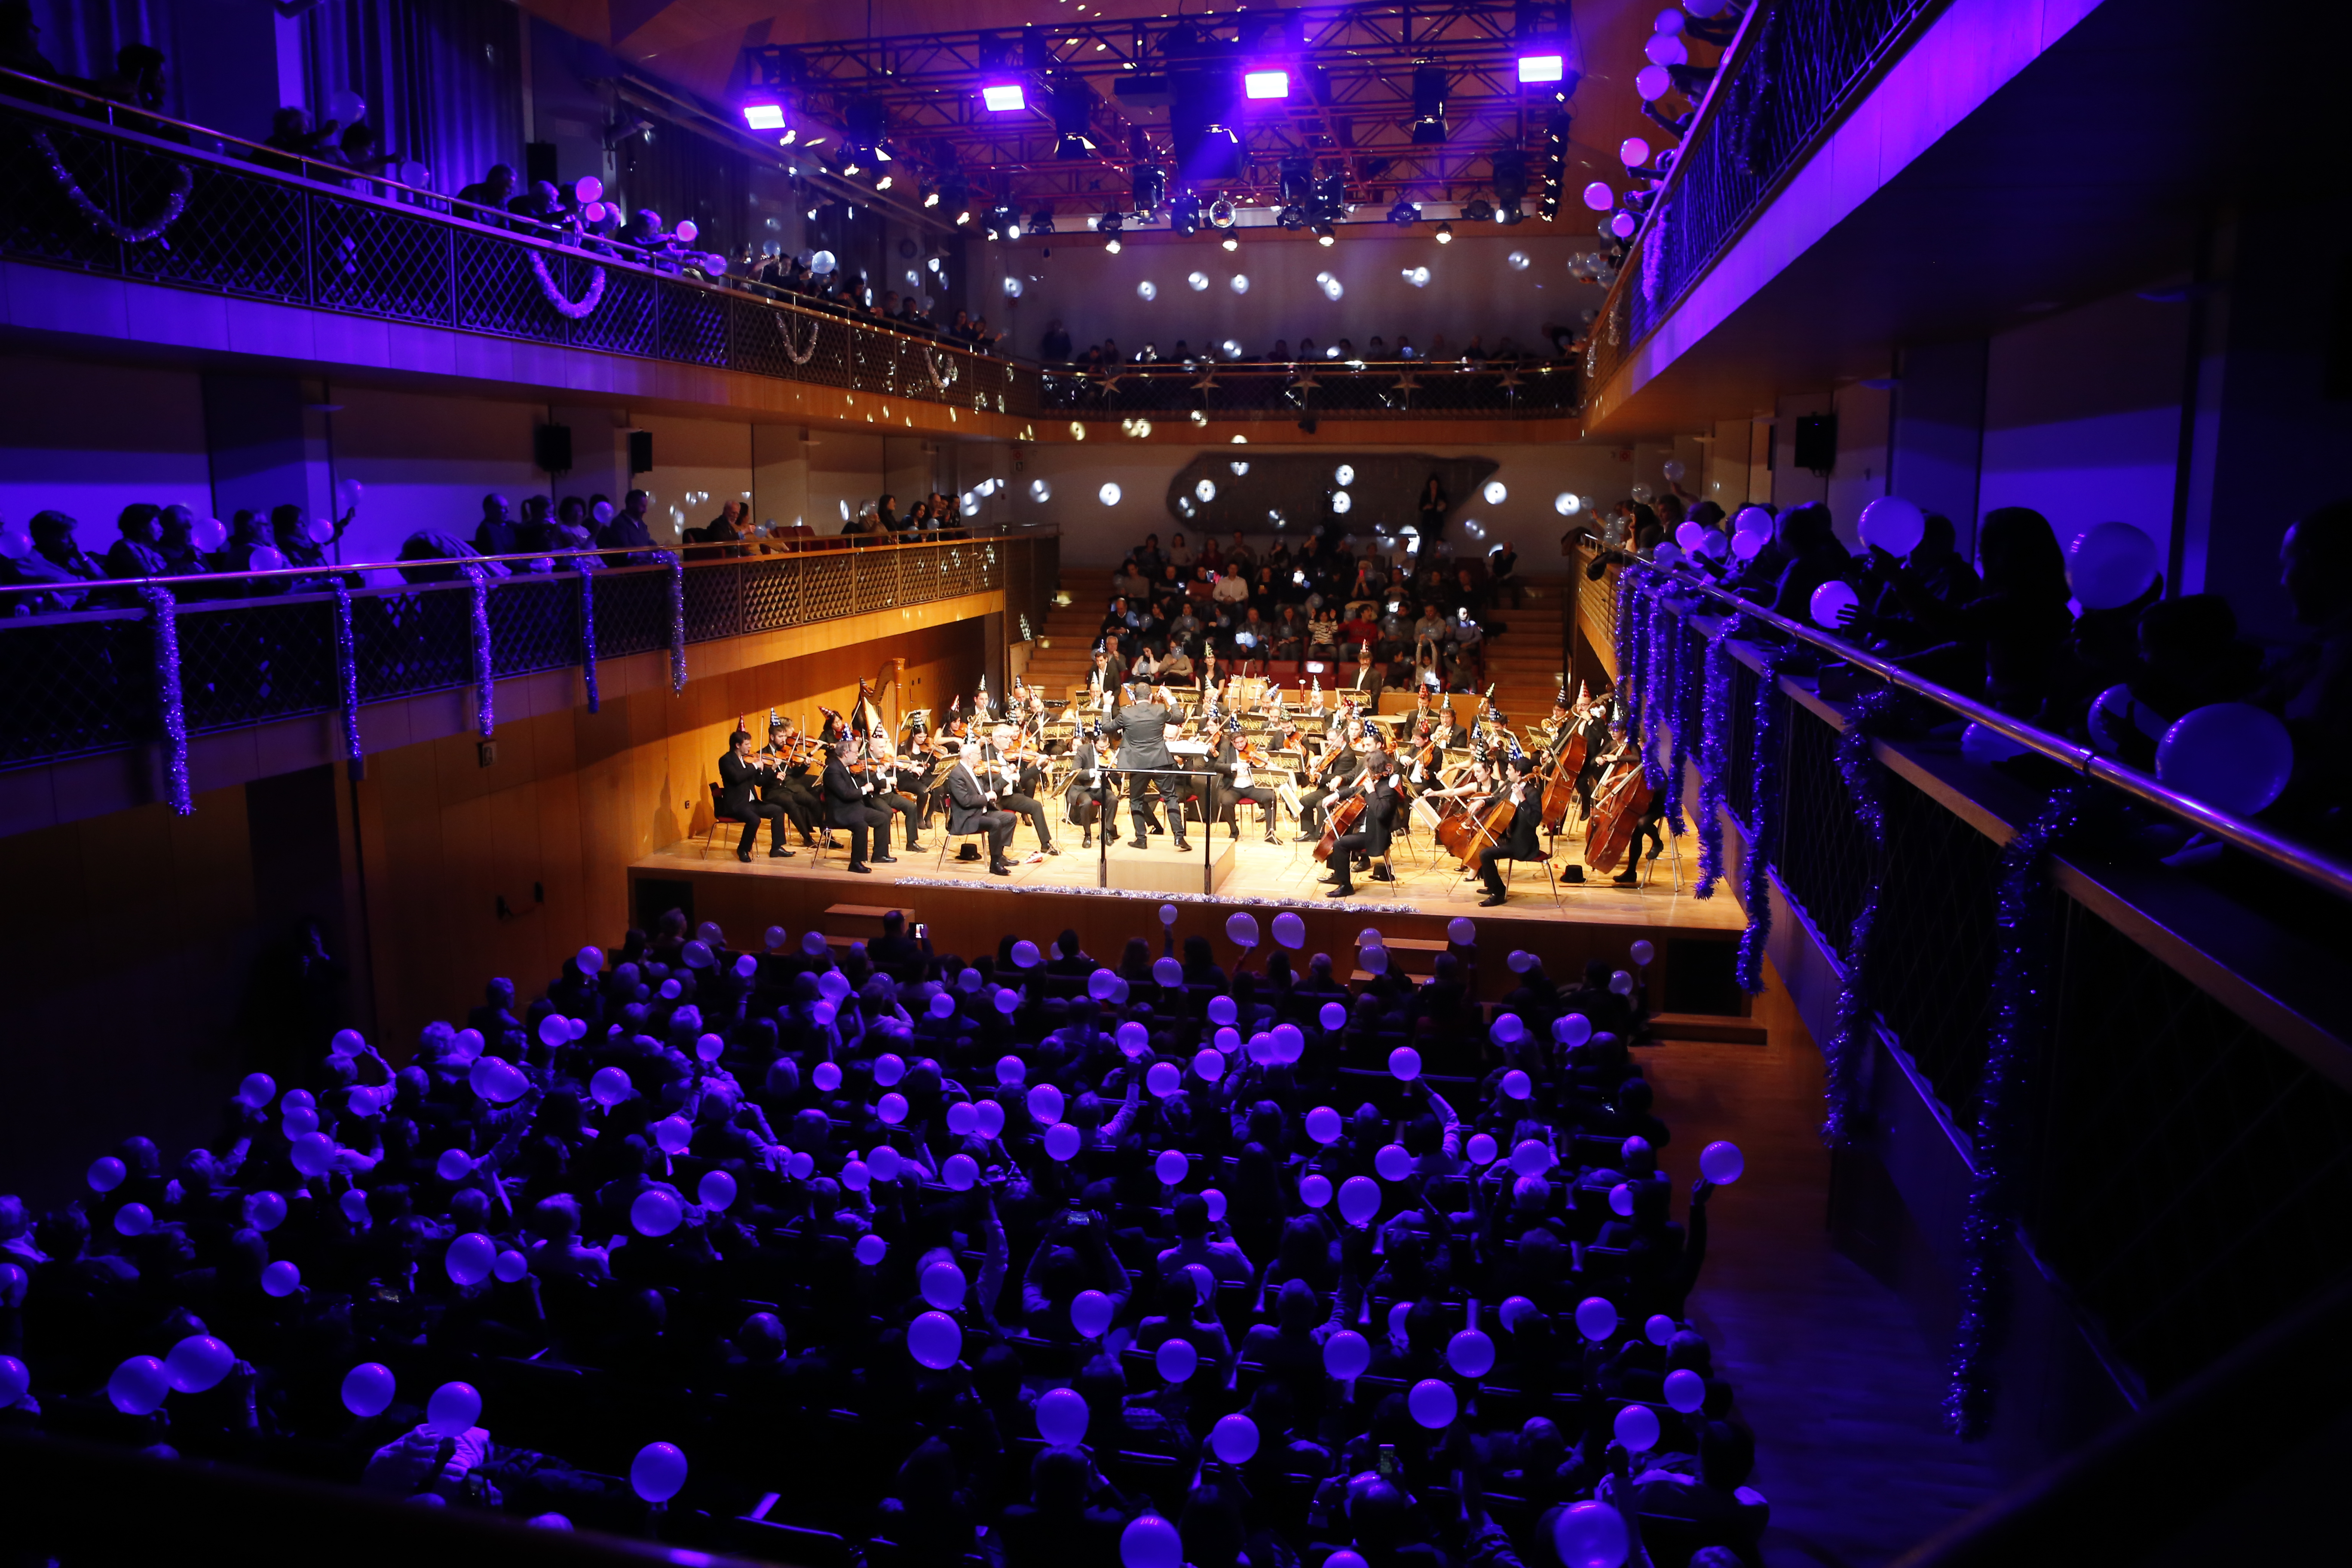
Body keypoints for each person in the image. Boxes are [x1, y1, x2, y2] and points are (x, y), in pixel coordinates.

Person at [1110, 685, 1192, 853]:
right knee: (1170, 797)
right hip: (1159, 760)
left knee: (1136, 800)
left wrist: (1106, 705)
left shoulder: (1126, 713)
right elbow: (1178, 718)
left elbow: (1106, 727)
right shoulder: (1159, 709)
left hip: (1137, 764)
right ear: (1150, 697)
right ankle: (1179, 837)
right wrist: (1170, 697)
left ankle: (1141, 839)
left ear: (1134, 698)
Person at [1478, 754, 1548, 906]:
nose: (1507, 773)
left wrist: (1522, 800)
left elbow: (1535, 821)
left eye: (1510, 770)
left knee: (1486, 854)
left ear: (1519, 773)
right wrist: (1482, 801)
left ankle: (1499, 892)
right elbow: (1497, 798)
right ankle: (1491, 885)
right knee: (1482, 844)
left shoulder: (1532, 793)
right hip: (1509, 837)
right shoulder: (1511, 786)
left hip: (1523, 844)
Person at [943, 740, 1018, 873]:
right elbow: (965, 801)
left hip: (980, 812)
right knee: (995, 824)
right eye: (978, 754)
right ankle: (995, 864)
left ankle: (999, 856)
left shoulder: (972, 771)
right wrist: (987, 797)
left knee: (1010, 818)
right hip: (966, 817)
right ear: (970, 756)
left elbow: (987, 790)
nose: (981, 757)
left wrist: (1005, 778)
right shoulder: (957, 774)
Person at [717, 729, 792, 861]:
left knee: (778, 810)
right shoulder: (726, 760)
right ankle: (743, 849)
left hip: (751, 803)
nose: (751, 747)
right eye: (747, 744)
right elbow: (736, 778)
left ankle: (776, 848)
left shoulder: (747, 760)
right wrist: (754, 767)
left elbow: (759, 782)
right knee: (754, 820)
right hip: (737, 804)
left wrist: (773, 769)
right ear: (738, 745)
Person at [823, 736, 893, 873]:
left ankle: (880, 854)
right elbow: (845, 794)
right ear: (846, 753)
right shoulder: (833, 770)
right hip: (839, 812)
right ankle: (856, 863)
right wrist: (864, 790)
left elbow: (857, 788)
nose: (857, 755)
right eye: (855, 752)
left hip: (853, 808)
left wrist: (875, 780)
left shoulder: (847, 767)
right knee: (861, 825)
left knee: (883, 817)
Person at [1211, 720, 1282, 844]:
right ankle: (1234, 831)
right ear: (1232, 742)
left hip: (1252, 786)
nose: (1240, 745)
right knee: (1226, 802)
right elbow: (1218, 766)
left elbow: (1263, 760)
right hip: (1233, 787)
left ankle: (1270, 833)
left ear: (1246, 739)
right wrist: (1235, 766)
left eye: (1242, 742)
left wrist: (1269, 765)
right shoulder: (1226, 748)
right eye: (1236, 743)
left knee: (1270, 797)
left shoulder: (1254, 748)